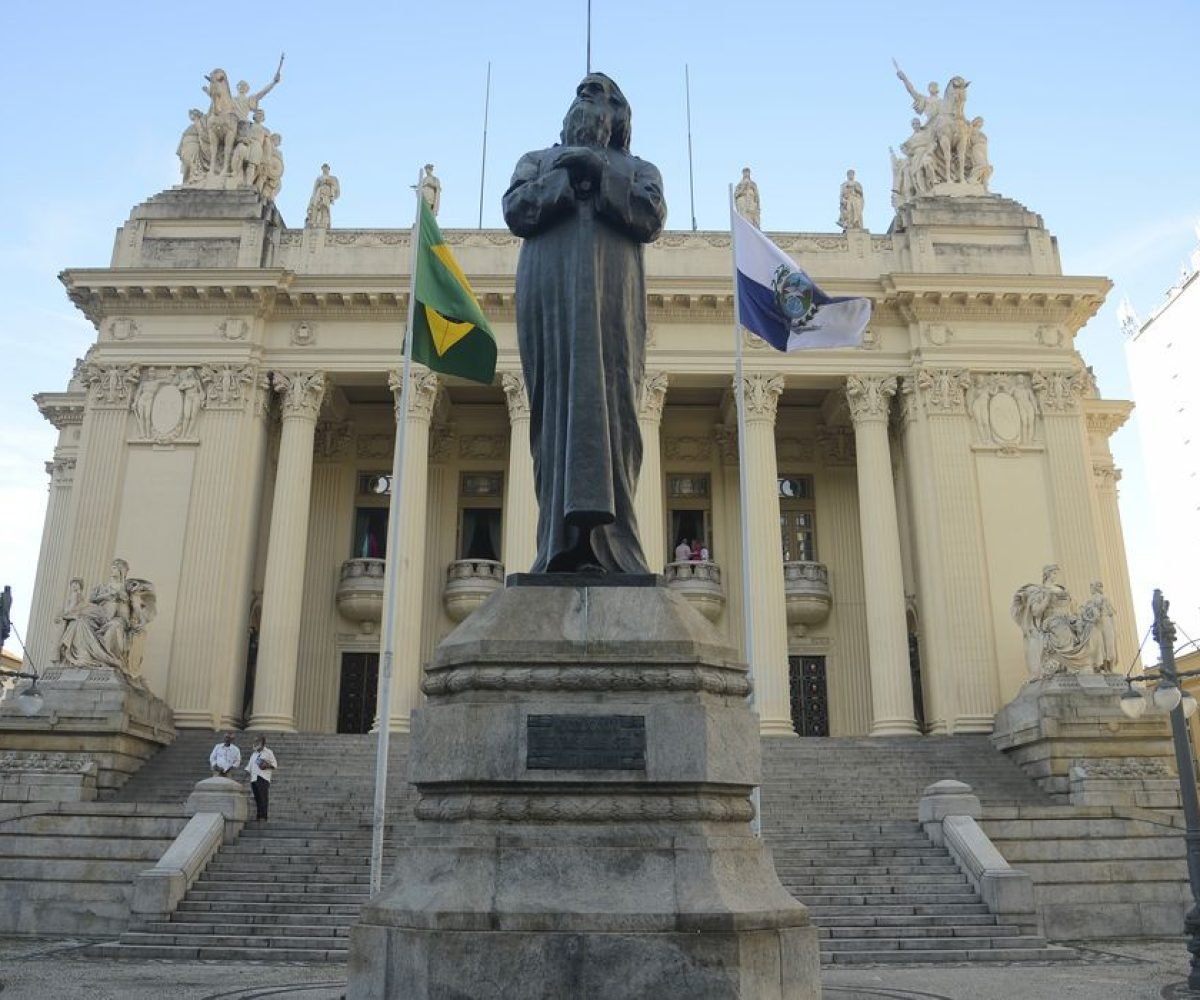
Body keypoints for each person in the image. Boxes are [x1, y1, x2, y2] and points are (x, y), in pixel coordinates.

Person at [502, 73, 667, 574]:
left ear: (620, 118)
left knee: (615, 414)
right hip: (550, 301)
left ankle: (614, 547)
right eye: (584, 94)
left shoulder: (639, 168)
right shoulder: (537, 160)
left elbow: (650, 216)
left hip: (612, 303)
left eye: (604, 96)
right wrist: (568, 177)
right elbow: (516, 209)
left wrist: (601, 172)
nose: (591, 103)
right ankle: (558, 545)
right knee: (554, 418)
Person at [247, 735, 277, 821]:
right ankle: (259, 815)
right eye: (254, 741)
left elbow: (275, 764)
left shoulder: (268, 752)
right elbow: (249, 767)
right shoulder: (254, 754)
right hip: (254, 778)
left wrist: (266, 765)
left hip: (263, 778)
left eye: (257, 742)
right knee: (257, 798)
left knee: (263, 797)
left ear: (262, 743)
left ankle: (263, 816)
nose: (255, 743)